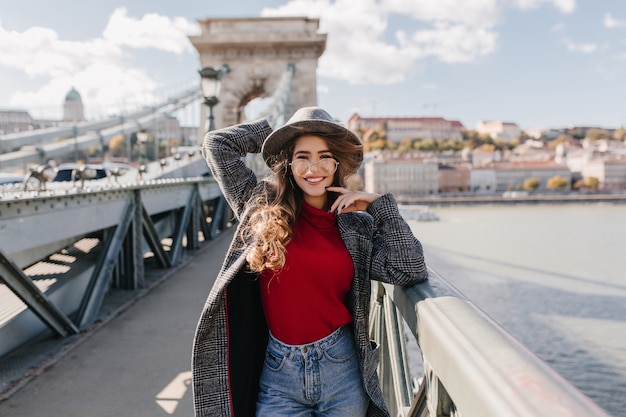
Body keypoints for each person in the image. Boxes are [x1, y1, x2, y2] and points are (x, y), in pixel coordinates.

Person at [192, 106, 428, 417]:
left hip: (340, 370)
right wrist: (276, 134)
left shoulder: (357, 227)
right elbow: (217, 145)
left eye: (324, 156)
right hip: (278, 373)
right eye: (302, 156)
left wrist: (378, 206)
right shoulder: (261, 205)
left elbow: (409, 268)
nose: (313, 167)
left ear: (336, 163)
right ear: (288, 163)